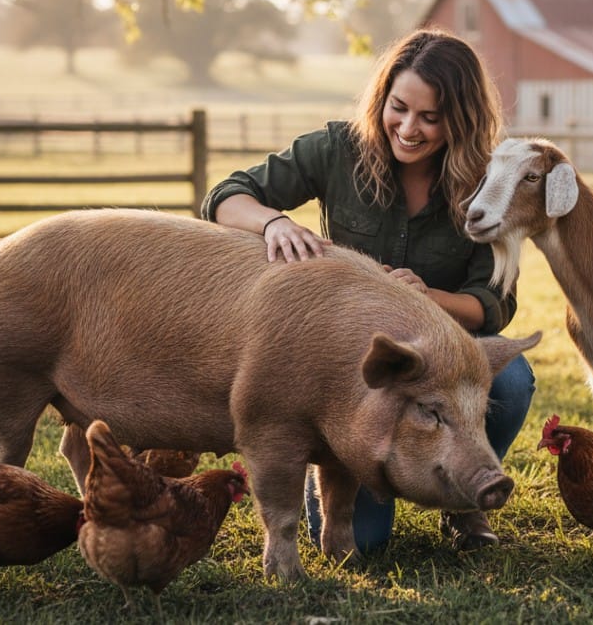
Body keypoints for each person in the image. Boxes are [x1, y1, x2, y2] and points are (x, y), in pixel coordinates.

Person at [201, 27, 536, 553]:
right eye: (398, 107)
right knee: (364, 544)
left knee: (511, 380)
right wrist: (272, 224)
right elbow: (225, 196)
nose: (408, 128)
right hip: (351, 363)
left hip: (439, 355)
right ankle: (381, 470)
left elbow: (496, 301)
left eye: (431, 117)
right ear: (383, 98)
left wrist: (430, 298)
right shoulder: (339, 149)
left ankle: (464, 497)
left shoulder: (486, 180)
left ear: (463, 119)